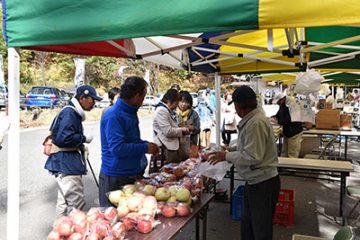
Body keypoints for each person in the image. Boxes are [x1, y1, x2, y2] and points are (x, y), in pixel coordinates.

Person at [206, 86, 280, 240]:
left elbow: (253, 156)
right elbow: (248, 147)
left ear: (238, 105)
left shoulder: (255, 123)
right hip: (256, 181)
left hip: (262, 182)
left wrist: (226, 155)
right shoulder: (253, 119)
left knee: (260, 229)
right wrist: (230, 148)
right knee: (249, 225)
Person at [99, 76, 159, 207]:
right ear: (137, 95)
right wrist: (145, 148)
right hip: (117, 177)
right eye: (143, 97)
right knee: (114, 220)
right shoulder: (114, 115)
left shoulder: (130, 112)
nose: (143, 101)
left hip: (132, 174)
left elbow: (131, 141)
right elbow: (117, 148)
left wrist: (145, 145)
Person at [44, 85, 102, 218]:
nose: (94, 104)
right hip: (67, 163)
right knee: (76, 203)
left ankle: (58, 233)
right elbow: (64, 138)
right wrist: (84, 138)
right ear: (82, 98)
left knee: (63, 203)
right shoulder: (70, 113)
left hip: (63, 161)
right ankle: (72, 233)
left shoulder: (70, 111)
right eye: (92, 100)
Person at [153, 89, 190, 163]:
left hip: (171, 148)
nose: (177, 106)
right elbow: (168, 131)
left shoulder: (167, 110)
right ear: (170, 101)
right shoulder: (161, 111)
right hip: (166, 148)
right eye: (176, 103)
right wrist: (182, 130)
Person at [271, 93, 303, 158]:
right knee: (284, 153)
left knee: (292, 154)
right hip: (287, 132)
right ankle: (284, 167)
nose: (277, 103)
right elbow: (280, 113)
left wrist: (278, 122)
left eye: (278, 102)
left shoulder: (292, 104)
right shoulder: (282, 104)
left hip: (294, 132)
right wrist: (274, 117)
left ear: (282, 99)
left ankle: (291, 168)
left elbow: (290, 119)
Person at [177, 91, 201, 159]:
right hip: (177, 145)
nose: (183, 104)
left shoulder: (194, 114)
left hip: (191, 144)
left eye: (186, 102)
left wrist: (193, 128)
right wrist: (183, 126)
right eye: (181, 102)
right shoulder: (174, 113)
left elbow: (198, 129)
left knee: (190, 165)